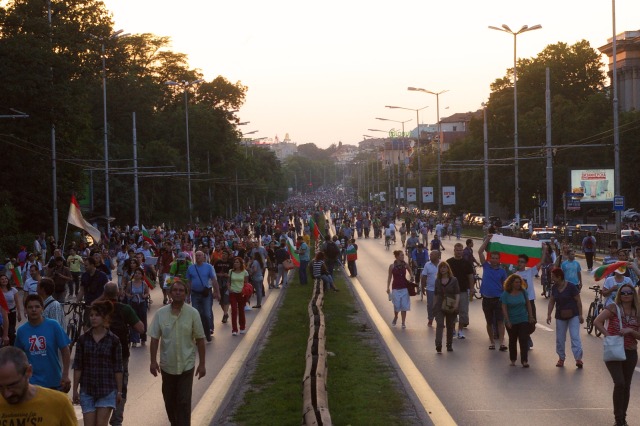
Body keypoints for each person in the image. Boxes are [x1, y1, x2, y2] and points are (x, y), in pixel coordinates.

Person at [149, 279, 206, 426]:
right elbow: (154, 339)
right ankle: (175, 423)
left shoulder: (193, 313)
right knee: (169, 400)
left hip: (187, 365)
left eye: (181, 290)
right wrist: (153, 362)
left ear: (186, 294)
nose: (178, 293)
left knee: (184, 401)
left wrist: (202, 364)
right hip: (168, 366)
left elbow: (200, 339)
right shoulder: (161, 314)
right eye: (175, 290)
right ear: (169, 293)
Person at [96, 282, 143, 426]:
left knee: (101, 384)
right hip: (121, 352)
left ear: (104, 293)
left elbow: (87, 327)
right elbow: (140, 328)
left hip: (100, 353)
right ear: (119, 293)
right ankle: (116, 419)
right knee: (121, 386)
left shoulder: (98, 309)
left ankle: (100, 417)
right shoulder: (125, 309)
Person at [593, 282, 640, 426]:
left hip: (630, 352)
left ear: (634, 295)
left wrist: (631, 331)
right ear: (620, 295)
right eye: (623, 293)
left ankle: (622, 418)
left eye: (629, 293)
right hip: (614, 351)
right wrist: (608, 335)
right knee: (619, 383)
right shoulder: (614, 308)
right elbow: (597, 321)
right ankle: (618, 419)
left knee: (626, 385)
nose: (626, 295)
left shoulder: (637, 312)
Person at [72, 300, 123, 426]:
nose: (93, 318)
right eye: (91, 315)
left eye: (97, 315)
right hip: (87, 390)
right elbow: (78, 366)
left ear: (104, 318)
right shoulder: (83, 340)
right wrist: (75, 390)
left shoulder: (114, 340)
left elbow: (118, 368)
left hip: (107, 389)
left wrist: (119, 391)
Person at [0, 346, 77, 425]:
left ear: (28, 372)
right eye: (0, 387)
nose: (6, 394)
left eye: (12, 385)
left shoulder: (59, 403)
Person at [14, 294, 71, 392]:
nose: (34, 310)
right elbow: (17, 356)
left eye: (37, 306)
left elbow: (65, 350)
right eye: (30, 307)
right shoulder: (22, 331)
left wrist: (65, 374)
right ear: (26, 310)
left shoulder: (53, 325)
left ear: (42, 308)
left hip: (54, 381)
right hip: (32, 384)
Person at [546, 267, 584, 368]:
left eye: (553, 277)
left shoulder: (571, 287)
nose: (552, 279)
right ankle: (561, 358)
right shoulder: (554, 288)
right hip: (560, 316)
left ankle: (578, 358)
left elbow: (578, 301)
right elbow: (551, 301)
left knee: (575, 337)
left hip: (573, 315)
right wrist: (549, 314)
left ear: (559, 277)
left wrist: (580, 315)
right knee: (560, 338)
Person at [478, 235, 508, 351]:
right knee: (489, 322)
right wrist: (487, 240)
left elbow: (505, 285)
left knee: (500, 321)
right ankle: (491, 341)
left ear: (499, 260)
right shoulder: (486, 266)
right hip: (487, 299)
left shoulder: (502, 271)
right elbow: (480, 251)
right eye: (493, 258)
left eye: (496, 258)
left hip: (498, 299)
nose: (494, 260)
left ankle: (501, 342)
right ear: (490, 258)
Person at [501, 275, 534, 367]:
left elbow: (528, 303)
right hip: (511, 320)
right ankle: (513, 359)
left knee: (523, 339)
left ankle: (524, 361)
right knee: (512, 340)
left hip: (523, 318)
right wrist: (507, 321)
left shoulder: (523, 292)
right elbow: (504, 307)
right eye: (516, 282)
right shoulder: (506, 294)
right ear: (511, 283)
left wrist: (530, 316)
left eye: (519, 282)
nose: (518, 284)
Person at [186, 251, 219, 342]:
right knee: (196, 314)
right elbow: (188, 282)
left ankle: (209, 329)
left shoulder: (209, 267)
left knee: (207, 313)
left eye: (200, 255)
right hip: (195, 293)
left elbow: (214, 280)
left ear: (204, 257)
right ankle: (199, 332)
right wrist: (187, 296)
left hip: (206, 294)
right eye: (196, 255)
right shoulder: (191, 268)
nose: (198, 257)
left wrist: (217, 292)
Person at [446, 243, 474, 339]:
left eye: (460, 250)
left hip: (462, 291)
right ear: (454, 251)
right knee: (451, 311)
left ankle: (460, 330)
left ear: (463, 251)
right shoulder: (448, 262)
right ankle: (453, 329)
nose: (459, 252)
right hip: (451, 291)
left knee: (463, 311)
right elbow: (444, 276)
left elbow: (470, 277)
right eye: (457, 250)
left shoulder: (467, 263)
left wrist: (472, 289)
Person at [514, 253, 542, 348]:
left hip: (530, 301)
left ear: (525, 264)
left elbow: (541, 262)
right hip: (520, 302)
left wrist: (545, 249)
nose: (520, 263)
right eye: (519, 262)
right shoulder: (515, 276)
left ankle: (526, 335)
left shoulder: (530, 272)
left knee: (532, 322)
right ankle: (524, 339)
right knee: (522, 322)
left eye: (522, 262)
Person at [433, 262, 460, 353]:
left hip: (450, 305)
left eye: (444, 267)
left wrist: (456, 305)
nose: (442, 269)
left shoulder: (454, 280)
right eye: (441, 268)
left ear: (448, 269)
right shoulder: (437, 280)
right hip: (440, 305)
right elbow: (436, 294)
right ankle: (438, 344)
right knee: (440, 324)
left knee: (450, 325)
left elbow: (457, 293)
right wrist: (434, 306)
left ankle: (449, 344)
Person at [386, 250, 413, 329]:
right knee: (397, 305)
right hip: (395, 288)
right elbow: (389, 277)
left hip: (404, 287)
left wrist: (411, 276)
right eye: (401, 255)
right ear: (397, 256)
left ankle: (403, 322)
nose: (403, 257)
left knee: (404, 306)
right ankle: (396, 316)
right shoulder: (392, 266)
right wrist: (388, 287)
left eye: (403, 255)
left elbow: (410, 270)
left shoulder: (405, 265)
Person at [124, 268, 150, 347]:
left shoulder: (143, 284)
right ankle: (134, 340)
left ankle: (143, 338)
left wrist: (144, 296)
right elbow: (126, 292)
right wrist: (130, 296)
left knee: (143, 321)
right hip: (133, 303)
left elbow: (147, 292)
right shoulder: (130, 283)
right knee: (134, 321)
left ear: (142, 275)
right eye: (136, 273)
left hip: (142, 304)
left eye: (139, 273)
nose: (137, 274)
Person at [228, 257, 249, 336]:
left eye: (237, 262)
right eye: (234, 262)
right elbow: (228, 282)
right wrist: (229, 288)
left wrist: (245, 292)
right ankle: (234, 329)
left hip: (241, 293)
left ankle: (242, 327)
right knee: (234, 310)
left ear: (241, 263)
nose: (235, 264)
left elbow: (246, 283)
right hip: (233, 293)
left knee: (241, 310)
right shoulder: (231, 271)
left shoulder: (245, 272)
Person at [420, 250, 440, 327]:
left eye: (432, 255)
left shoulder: (442, 264)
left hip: (440, 289)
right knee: (431, 305)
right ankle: (430, 319)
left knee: (440, 305)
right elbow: (424, 276)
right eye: (430, 254)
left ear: (437, 256)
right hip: (430, 289)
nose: (430, 256)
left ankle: (439, 320)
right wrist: (422, 287)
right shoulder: (427, 265)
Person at [1, 274, 21, 345]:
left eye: (5, 279)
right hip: (2, 315)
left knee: (11, 331)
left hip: (12, 312)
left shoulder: (13, 290)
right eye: (2, 279)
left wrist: (19, 314)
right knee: (4, 331)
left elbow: (17, 302)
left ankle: (14, 346)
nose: (4, 280)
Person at [214, 250, 232, 324]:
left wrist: (228, 275)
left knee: (226, 298)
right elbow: (213, 273)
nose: (224, 255)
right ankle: (226, 313)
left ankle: (225, 314)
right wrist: (219, 275)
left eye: (225, 254)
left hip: (227, 282)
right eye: (223, 254)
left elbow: (233, 272)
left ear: (228, 255)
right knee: (221, 300)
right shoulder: (217, 263)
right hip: (219, 282)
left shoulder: (230, 263)